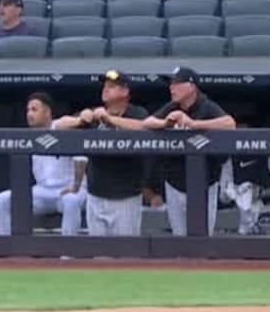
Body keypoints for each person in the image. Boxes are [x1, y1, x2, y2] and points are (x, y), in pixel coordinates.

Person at [53, 70, 152, 237]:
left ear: (125, 91)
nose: (105, 89)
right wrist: (80, 119)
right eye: (105, 86)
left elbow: (145, 127)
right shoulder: (95, 114)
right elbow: (58, 125)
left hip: (125, 196)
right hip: (96, 195)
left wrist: (109, 119)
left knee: (125, 250)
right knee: (98, 251)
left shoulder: (136, 112)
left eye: (111, 86)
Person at [141, 67, 236, 236]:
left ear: (191, 86)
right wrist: (165, 124)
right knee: (179, 236)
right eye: (171, 83)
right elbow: (147, 122)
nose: (171, 88)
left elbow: (229, 124)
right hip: (175, 181)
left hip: (205, 182)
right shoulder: (173, 107)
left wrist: (193, 124)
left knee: (203, 235)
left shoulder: (205, 105)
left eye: (176, 83)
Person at [0, 92, 85, 236]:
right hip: (42, 192)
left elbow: (81, 158)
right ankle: (8, 245)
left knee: (71, 202)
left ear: (47, 112)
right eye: (28, 110)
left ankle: (68, 249)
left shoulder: (60, 127)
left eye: (34, 110)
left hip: (68, 190)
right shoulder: (30, 135)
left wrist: (76, 185)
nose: (29, 114)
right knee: (0, 201)